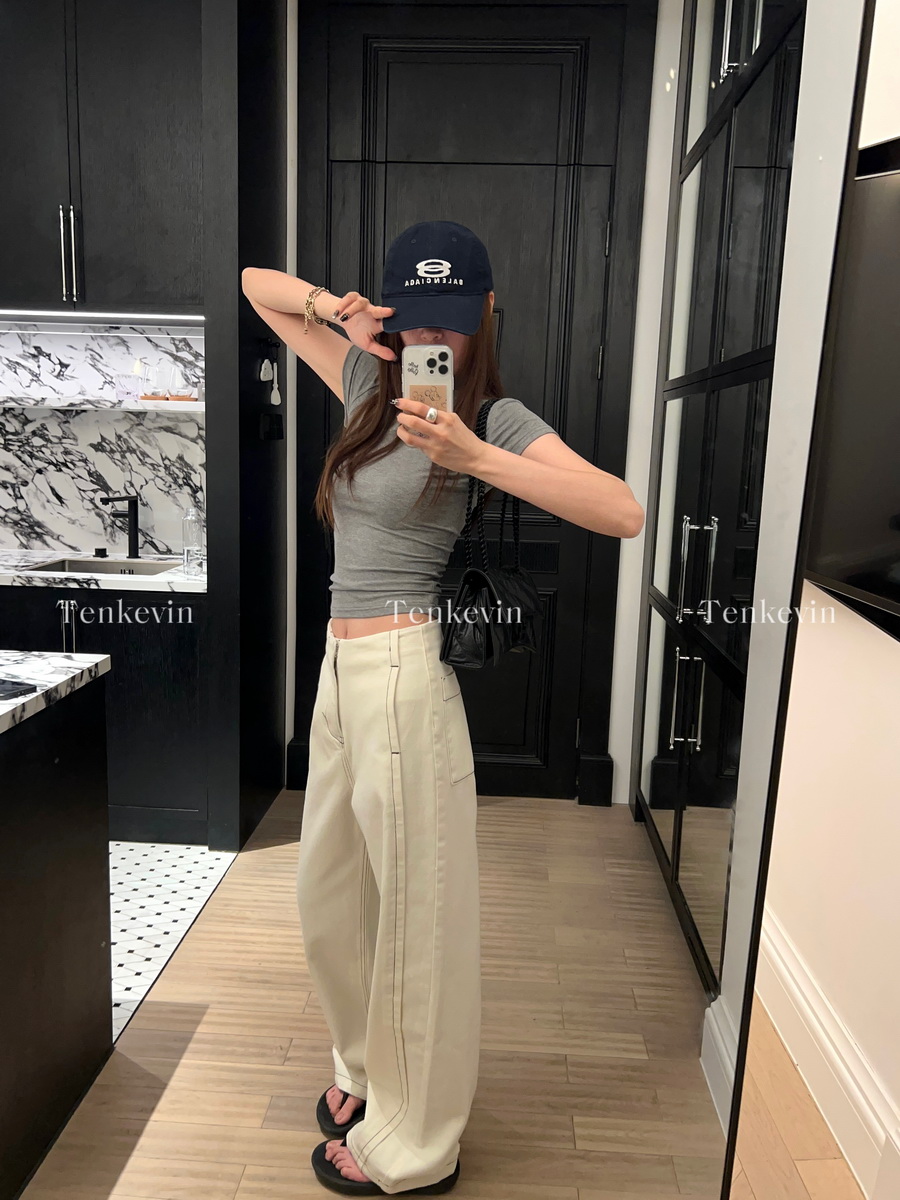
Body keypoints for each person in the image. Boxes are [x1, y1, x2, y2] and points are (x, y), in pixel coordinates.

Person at [241, 221, 644, 1196]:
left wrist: (473, 454)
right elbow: (255, 286)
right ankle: (364, 1069)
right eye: (418, 320)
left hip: (404, 675)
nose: (436, 341)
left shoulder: (494, 418)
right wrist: (336, 311)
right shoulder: (363, 382)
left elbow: (623, 510)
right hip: (338, 678)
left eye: (453, 321)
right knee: (331, 899)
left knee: (417, 919)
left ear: (485, 313)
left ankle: (417, 1146)